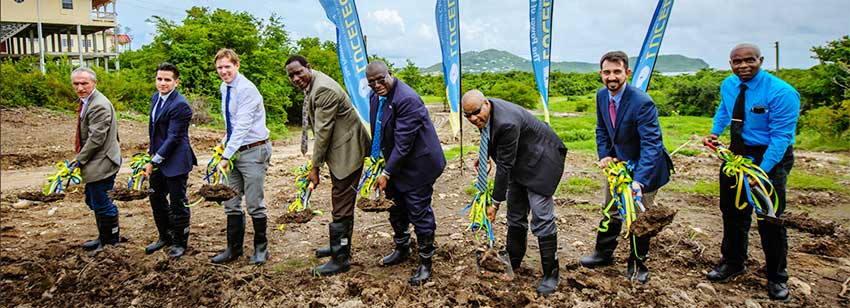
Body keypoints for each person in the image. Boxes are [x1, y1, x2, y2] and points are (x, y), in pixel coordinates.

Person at [704, 43, 799, 302]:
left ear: (761, 60)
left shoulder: (781, 93)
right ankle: (733, 262)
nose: (743, 66)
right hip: (737, 155)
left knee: (769, 217)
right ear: (730, 63)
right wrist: (715, 132)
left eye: (749, 60)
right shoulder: (729, 85)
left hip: (770, 158)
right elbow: (724, 110)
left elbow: (781, 138)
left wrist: (760, 172)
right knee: (732, 212)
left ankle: (777, 276)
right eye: (737, 62)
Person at [578, 51, 674, 284]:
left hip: (645, 169)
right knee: (610, 209)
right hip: (618, 167)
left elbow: (652, 145)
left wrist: (638, 180)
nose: (612, 77)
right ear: (601, 74)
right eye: (607, 72)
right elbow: (602, 129)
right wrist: (606, 156)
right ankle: (603, 253)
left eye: (617, 72)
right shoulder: (601, 96)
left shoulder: (642, 102)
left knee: (639, 217)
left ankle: (638, 263)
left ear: (627, 73)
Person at [461, 89, 567, 295]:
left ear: (486, 103)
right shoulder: (488, 114)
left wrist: (495, 203)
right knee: (515, 214)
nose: (473, 118)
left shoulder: (507, 122)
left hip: (542, 162)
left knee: (541, 216)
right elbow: (493, 137)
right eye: (468, 116)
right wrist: (486, 154)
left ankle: (551, 274)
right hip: (521, 160)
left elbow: (505, 167)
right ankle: (514, 260)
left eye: (476, 112)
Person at [285, 55, 370, 276]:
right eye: (291, 76)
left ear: (309, 67)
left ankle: (340, 259)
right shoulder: (313, 84)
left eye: (298, 72)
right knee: (340, 198)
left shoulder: (324, 90)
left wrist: (315, 167)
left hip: (348, 149)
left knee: (341, 201)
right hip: (339, 147)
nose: (295, 78)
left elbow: (323, 132)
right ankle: (339, 247)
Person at [366, 60, 446, 286]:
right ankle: (402, 247)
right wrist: (378, 163)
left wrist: (387, 172)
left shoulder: (407, 99)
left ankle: (425, 262)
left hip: (418, 164)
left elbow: (403, 143)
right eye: (371, 82)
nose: (377, 84)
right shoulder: (375, 97)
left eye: (381, 78)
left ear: (389, 73)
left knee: (418, 211)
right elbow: (380, 132)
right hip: (394, 163)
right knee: (396, 207)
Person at [210, 49, 273, 265]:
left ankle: (261, 248)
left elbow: (244, 125)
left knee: (255, 202)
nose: (224, 71)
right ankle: (233, 249)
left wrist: (226, 156)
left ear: (237, 65)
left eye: (228, 66)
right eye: (220, 68)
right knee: (230, 199)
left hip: (254, 150)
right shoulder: (225, 87)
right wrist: (224, 143)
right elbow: (232, 122)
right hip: (236, 150)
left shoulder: (247, 90)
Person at [141, 62, 197, 259]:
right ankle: (165, 236)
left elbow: (173, 137)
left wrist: (154, 161)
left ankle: (180, 243)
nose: (162, 83)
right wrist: (151, 155)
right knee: (156, 199)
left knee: (177, 202)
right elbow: (155, 131)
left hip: (176, 161)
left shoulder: (180, 105)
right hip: (158, 158)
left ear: (176, 82)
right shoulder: (156, 98)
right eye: (159, 79)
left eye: (167, 80)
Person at [71, 66, 122, 255]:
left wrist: (79, 160)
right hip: (96, 160)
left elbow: (96, 139)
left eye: (84, 83)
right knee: (93, 200)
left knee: (102, 202)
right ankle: (103, 237)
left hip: (102, 161)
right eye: (76, 83)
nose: (80, 87)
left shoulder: (98, 104)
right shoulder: (87, 101)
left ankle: (111, 242)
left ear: (94, 83)